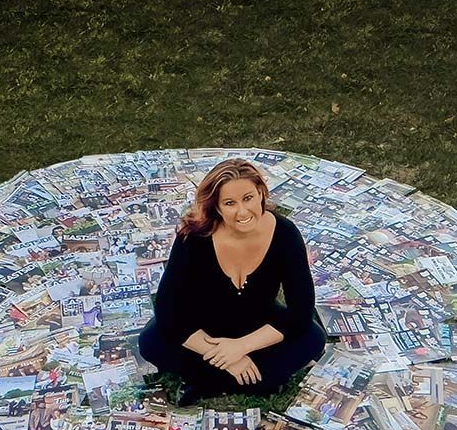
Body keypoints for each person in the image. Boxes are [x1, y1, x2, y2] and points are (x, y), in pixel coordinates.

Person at [138, 159, 326, 404]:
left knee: (313, 337)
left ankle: (207, 379)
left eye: (248, 198)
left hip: (258, 324)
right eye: (230, 203)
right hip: (204, 329)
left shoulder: (285, 234)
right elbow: (167, 308)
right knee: (151, 340)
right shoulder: (194, 237)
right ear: (216, 207)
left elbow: (301, 310)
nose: (242, 211)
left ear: (261, 193)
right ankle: (245, 379)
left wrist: (240, 347)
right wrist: (224, 355)